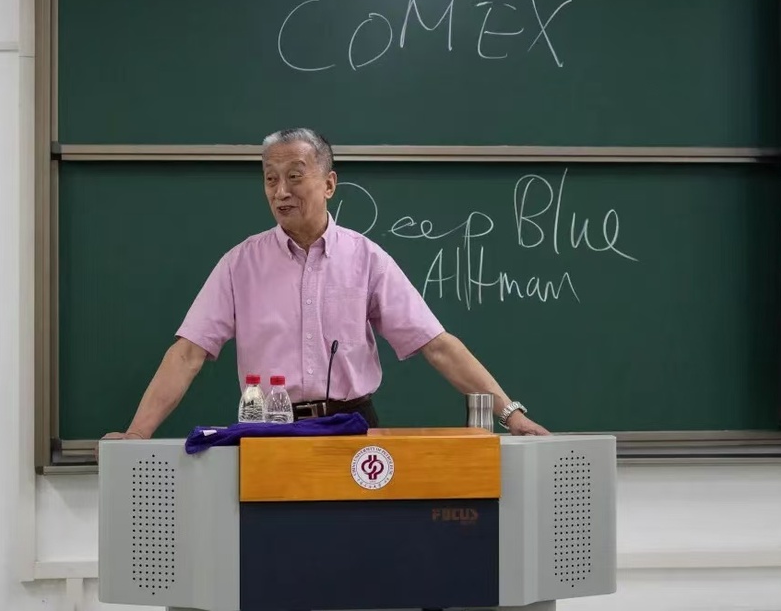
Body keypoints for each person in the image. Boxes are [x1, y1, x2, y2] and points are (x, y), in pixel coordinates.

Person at [102, 127, 549, 441]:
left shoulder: (365, 258)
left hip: (353, 428)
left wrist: (510, 414)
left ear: (329, 183)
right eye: (271, 179)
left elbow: (437, 345)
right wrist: (136, 434)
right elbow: (188, 353)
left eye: (295, 176)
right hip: (269, 429)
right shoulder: (240, 264)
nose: (281, 191)